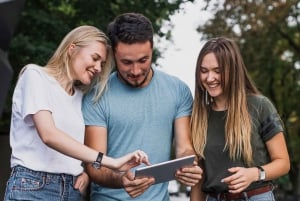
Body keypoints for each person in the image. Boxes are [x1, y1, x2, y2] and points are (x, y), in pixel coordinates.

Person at [3, 25, 150, 201]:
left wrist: (84, 172)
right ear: (72, 49)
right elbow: (49, 135)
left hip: (72, 190)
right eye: (95, 58)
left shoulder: (81, 98)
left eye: (102, 64)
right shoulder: (35, 76)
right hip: (33, 186)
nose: (97, 68)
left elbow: (75, 148)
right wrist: (112, 162)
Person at [82, 13, 203, 201]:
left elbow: (184, 147)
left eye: (143, 60)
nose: (136, 71)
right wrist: (122, 179)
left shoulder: (178, 90)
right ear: (113, 53)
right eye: (127, 62)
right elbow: (94, 165)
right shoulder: (97, 96)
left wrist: (189, 164)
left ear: (152, 49)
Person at [190, 37, 290, 201]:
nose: (209, 78)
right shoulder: (198, 117)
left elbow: (283, 163)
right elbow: (198, 178)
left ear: (233, 70)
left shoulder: (260, 106)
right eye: (204, 71)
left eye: (218, 70)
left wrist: (255, 173)